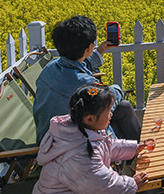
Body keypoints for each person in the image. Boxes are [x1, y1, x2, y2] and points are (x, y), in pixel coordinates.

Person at [32, 85, 149, 194]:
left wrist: (134, 148)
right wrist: (133, 183)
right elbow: (104, 186)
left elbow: (108, 147)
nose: (111, 114)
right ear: (89, 118)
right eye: (109, 110)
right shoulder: (78, 156)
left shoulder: (78, 130)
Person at [33, 15, 141, 144]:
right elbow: (109, 99)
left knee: (124, 107)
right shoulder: (85, 84)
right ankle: (135, 154)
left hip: (48, 133)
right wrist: (117, 89)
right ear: (89, 48)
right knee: (121, 109)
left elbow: (77, 66)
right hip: (68, 143)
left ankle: (134, 155)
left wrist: (101, 50)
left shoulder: (51, 66)